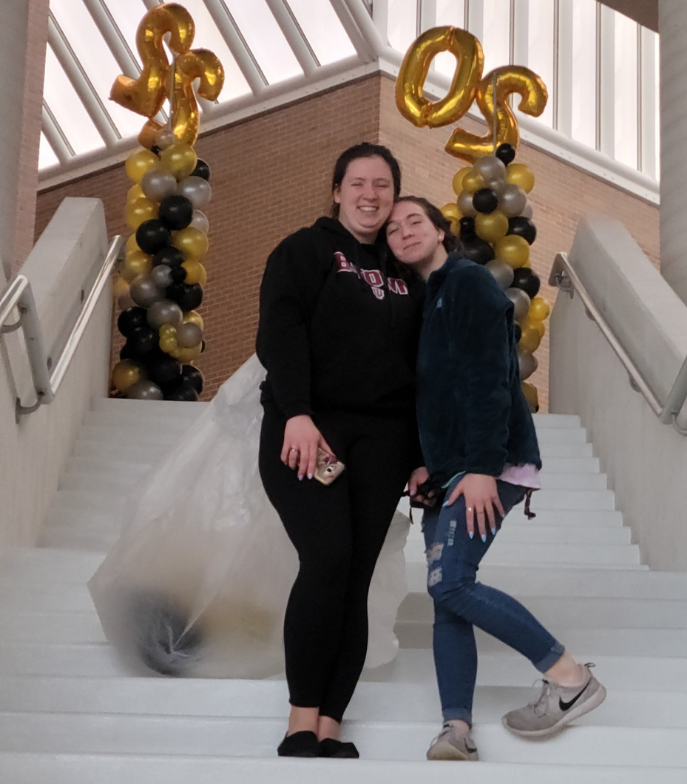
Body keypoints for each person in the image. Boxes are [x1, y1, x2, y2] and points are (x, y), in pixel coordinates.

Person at [385, 196, 606, 762]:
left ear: (440, 232)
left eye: (415, 221)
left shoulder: (467, 283)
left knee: (451, 583)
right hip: (451, 468)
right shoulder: (431, 297)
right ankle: (455, 727)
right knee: (447, 598)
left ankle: (570, 676)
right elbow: (435, 397)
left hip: (487, 464)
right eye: (392, 228)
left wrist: (483, 468)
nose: (404, 232)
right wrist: (425, 463)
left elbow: (489, 380)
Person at [255, 144, 425, 759]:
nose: (371, 194)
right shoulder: (304, 250)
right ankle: (301, 719)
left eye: (383, 185)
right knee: (327, 557)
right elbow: (281, 329)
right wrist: (296, 412)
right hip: (310, 433)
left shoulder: (408, 271)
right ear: (336, 190)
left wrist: (420, 451)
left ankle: (331, 724)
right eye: (358, 182)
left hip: (382, 442)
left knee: (355, 578)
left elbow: (421, 366)